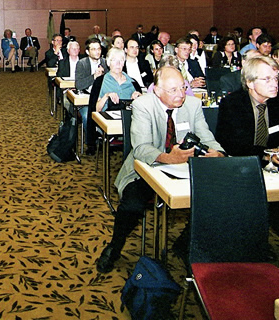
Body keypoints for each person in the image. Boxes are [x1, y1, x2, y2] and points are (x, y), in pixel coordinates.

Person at [96, 66, 224, 273]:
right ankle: (115, 246)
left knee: (216, 199)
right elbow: (141, 148)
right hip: (146, 169)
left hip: (185, 171)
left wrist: (218, 153)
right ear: (157, 90)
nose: (180, 94)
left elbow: (208, 138)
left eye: (182, 88)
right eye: (173, 90)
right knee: (131, 205)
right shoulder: (143, 105)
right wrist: (169, 158)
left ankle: (185, 242)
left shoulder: (192, 104)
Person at [216, 55, 279, 158]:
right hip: (243, 162)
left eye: (276, 78)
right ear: (250, 83)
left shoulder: (276, 102)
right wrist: (267, 155)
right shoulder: (232, 104)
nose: (275, 84)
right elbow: (232, 145)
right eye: (267, 79)